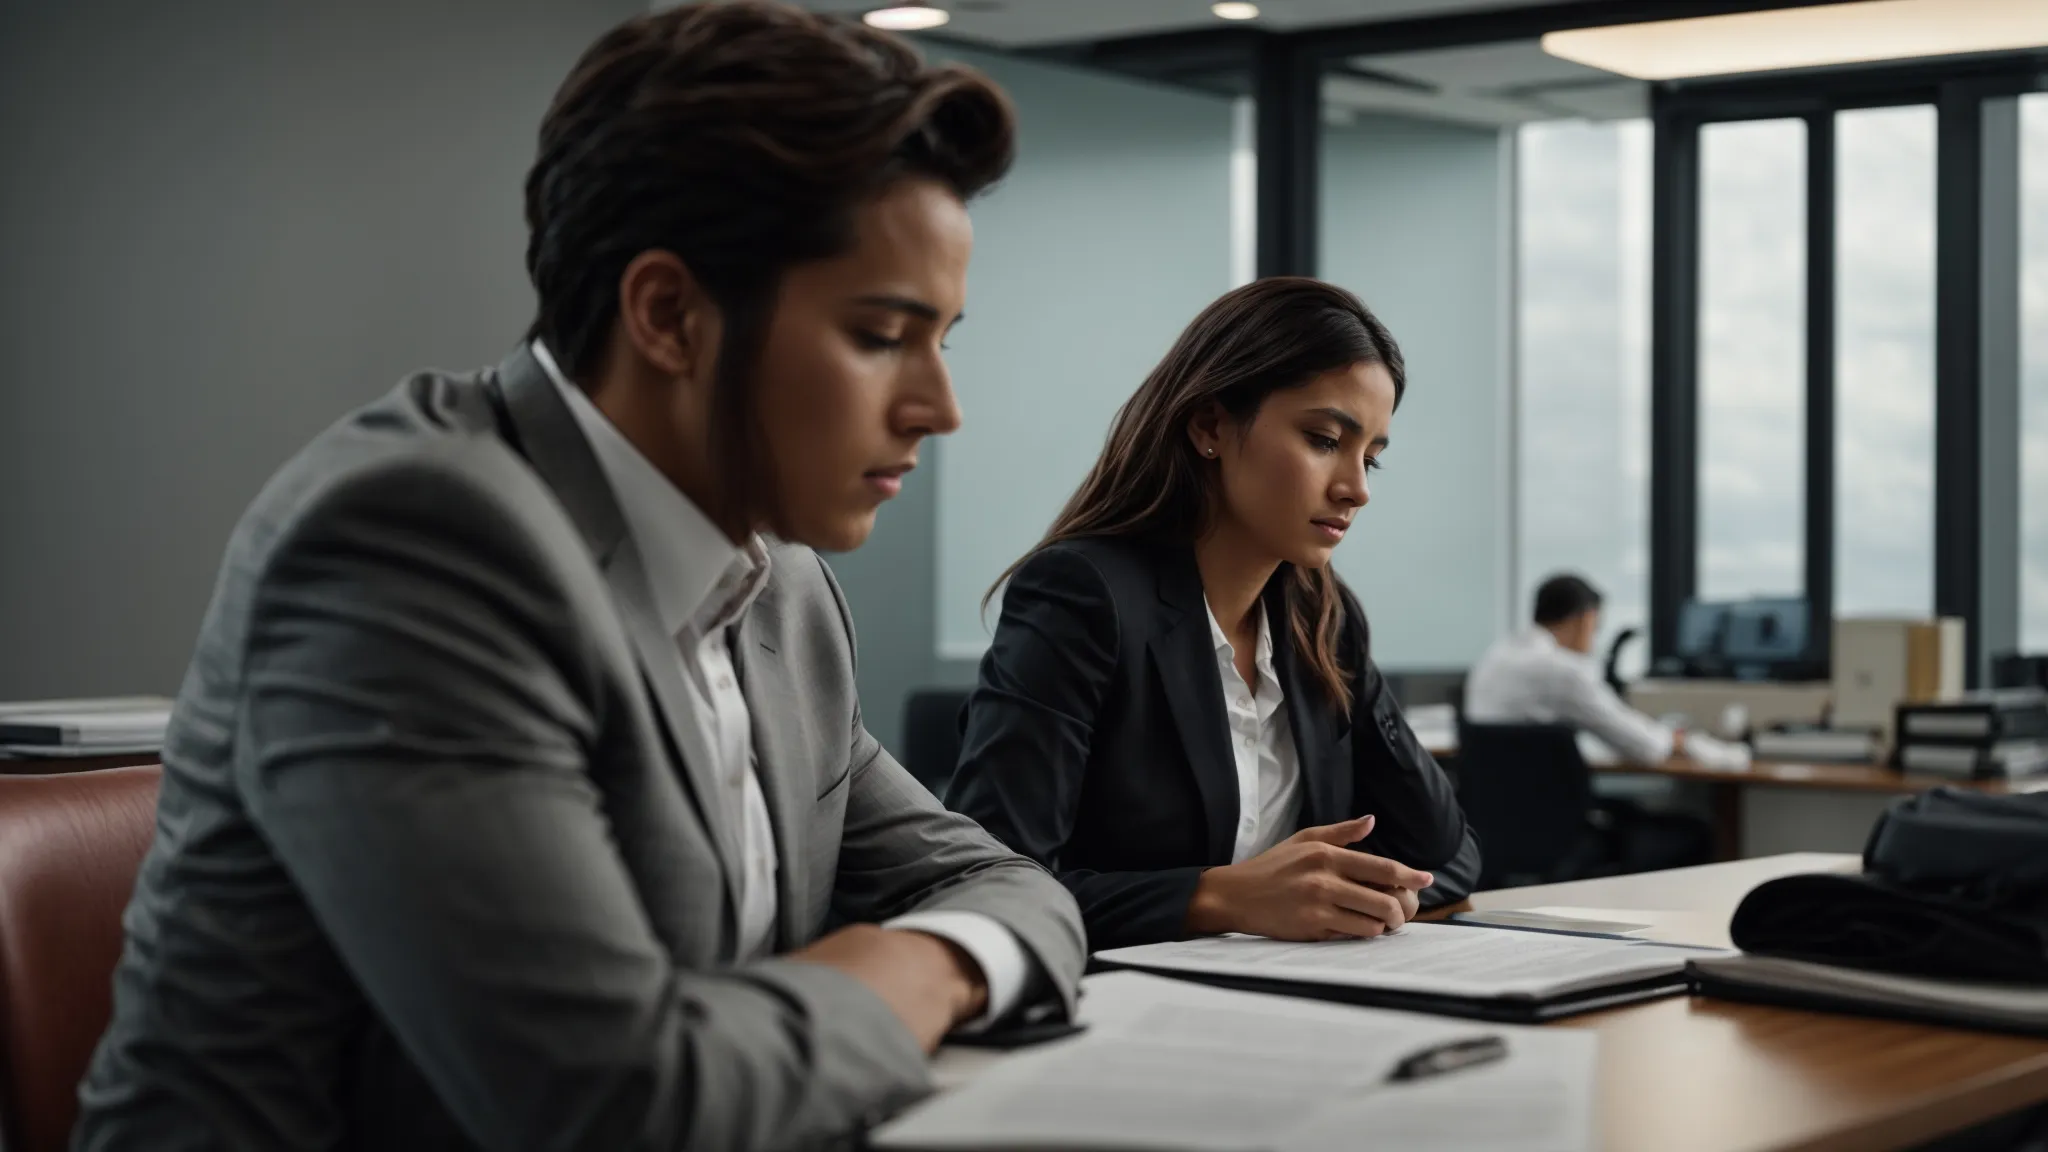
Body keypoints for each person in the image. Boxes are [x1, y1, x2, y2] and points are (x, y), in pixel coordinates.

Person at [73, 5, 1084, 1149]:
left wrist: (928, 956)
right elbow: (616, 1104)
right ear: (667, 314)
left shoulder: (777, 580)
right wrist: (904, 982)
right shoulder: (413, 544)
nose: (938, 409)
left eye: (944, 336)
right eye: (879, 334)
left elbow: (1016, 888)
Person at [946, 278, 1479, 953]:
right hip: (1112, 1013)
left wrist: (1345, 895)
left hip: (1298, 1007)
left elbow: (1448, 852)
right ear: (1209, 427)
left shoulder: (1323, 622)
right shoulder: (1082, 595)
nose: (1357, 489)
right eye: (1323, 440)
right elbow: (988, 885)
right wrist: (1220, 897)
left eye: (1371, 457)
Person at [1465, 573, 1747, 770]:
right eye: (1596, 627)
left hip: (1492, 821)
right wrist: (1684, 741)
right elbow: (1644, 746)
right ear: (1585, 620)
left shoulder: (1494, 657)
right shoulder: (1565, 671)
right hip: (1553, 820)